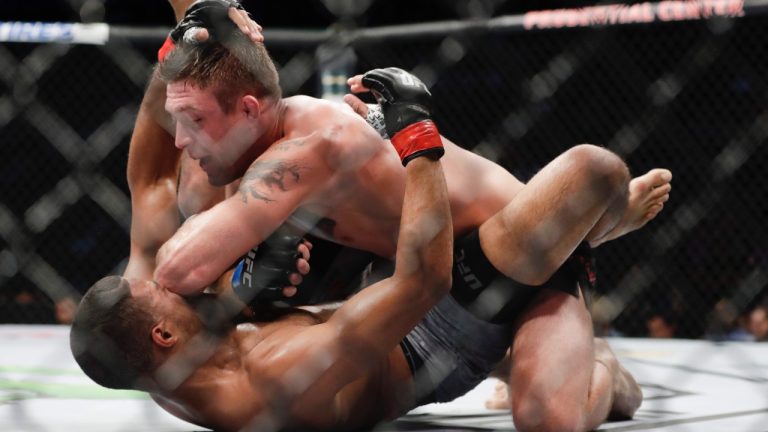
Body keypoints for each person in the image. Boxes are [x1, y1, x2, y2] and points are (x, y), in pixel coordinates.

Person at [144, 8, 668, 430]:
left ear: (249, 111)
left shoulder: (310, 144)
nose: (182, 141)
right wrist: (184, 33)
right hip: (429, 284)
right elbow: (205, 246)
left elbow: (177, 270)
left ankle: (599, 283)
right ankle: (590, 249)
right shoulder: (248, 153)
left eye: (195, 121)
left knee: (549, 421)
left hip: (519, 263)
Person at [71, 92, 456, 431]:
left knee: (229, 210)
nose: (167, 280)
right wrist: (416, 134)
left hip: (363, 299)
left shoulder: (155, 369)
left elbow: (152, 181)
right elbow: (425, 282)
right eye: (160, 289)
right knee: (491, 226)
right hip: (428, 335)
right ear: (164, 335)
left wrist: (175, 52)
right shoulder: (277, 373)